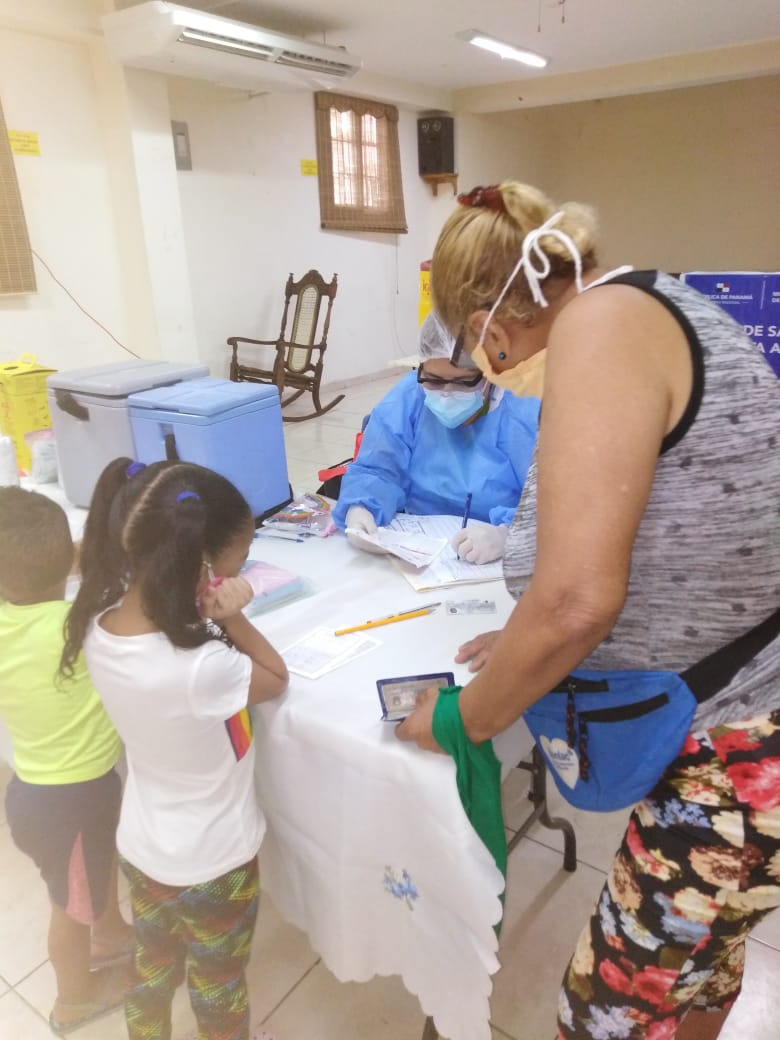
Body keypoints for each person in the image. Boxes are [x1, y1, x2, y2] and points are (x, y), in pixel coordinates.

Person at [397, 181, 780, 1040]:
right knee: (705, 964)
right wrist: (527, 628)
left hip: (740, 746)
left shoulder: (599, 328)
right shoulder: (653, 302)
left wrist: (460, 718)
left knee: (603, 1016)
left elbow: (578, 600)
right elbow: (655, 527)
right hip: (750, 716)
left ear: (489, 327)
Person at [61, 458, 289, 1040]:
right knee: (217, 985)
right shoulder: (202, 666)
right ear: (203, 565)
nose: (245, 567)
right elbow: (275, 676)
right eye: (242, 557)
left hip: (144, 846)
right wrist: (233, 617)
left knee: (152, 968)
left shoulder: (99, 624)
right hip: (215, 861)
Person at [0, 486, 132, 1035]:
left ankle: (112, 932)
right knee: (69, 906)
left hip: (37, 792)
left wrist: (60, 559)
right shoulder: (79, 627)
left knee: (89, 877)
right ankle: (73, 999)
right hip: (73, 801)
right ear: (67, 558)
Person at [332, 309, 539, 564]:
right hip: (418, 551)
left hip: (496, 563)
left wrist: (508, 535)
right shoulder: (410, 398)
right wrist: (360, 507)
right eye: (434, 380)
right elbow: (377, 469)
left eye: (463, 382)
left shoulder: (526, 411)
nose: (446, 394)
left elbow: (560, 504)